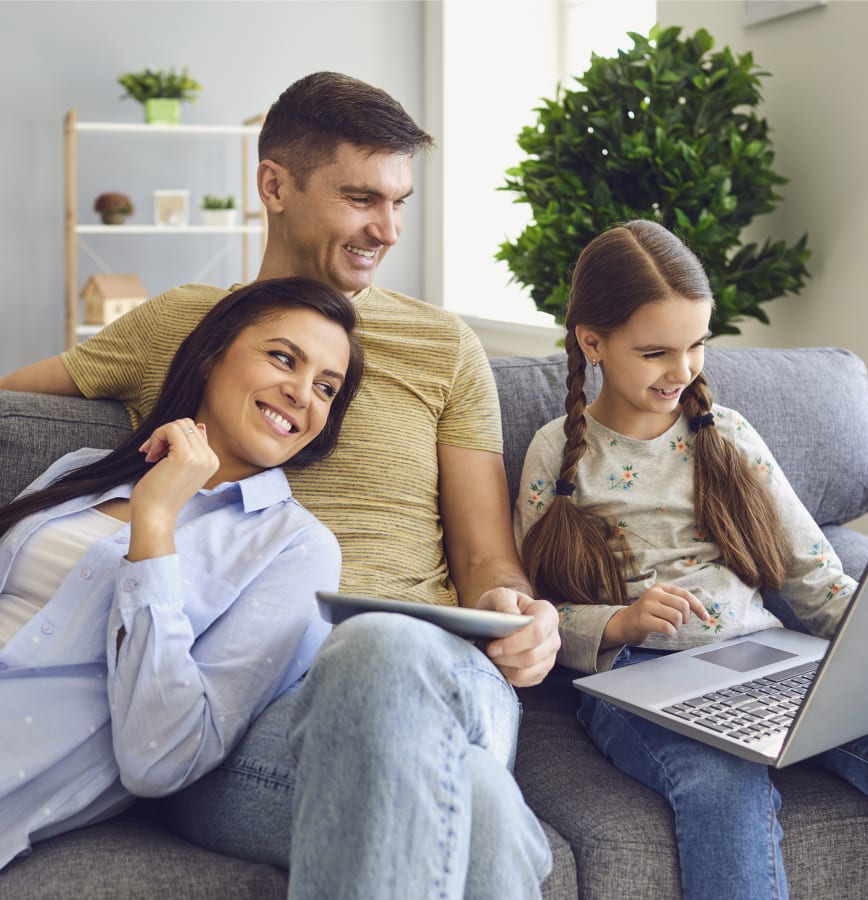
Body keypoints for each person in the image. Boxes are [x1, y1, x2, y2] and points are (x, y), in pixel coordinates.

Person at [0, 72, 558, 896]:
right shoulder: (186, 321)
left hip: (434, 668)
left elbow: (488, 561)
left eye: (400, 202)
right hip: (241, 703)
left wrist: (522, 612)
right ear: (275, 185)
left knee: (383, 647)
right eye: (364, 198)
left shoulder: (444, 348)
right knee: (475, 803)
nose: (388, 228)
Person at [513, 219, 868, 899]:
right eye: (657, 351)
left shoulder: (728, 434)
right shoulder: (557, 452)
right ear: (592, 341)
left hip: (765, 655)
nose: (682, 369)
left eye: (696, 345)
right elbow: (538, 609)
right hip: (640, 676)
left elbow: (812, 573)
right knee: (723, 785)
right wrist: (621, 623)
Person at [0, 275, 363, 870]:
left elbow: (162, 755)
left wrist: (156, 524)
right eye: (282, 357)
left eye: (327, 387)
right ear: (210, 354)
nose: (302, 394)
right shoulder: (84, 468)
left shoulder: (297, 548)